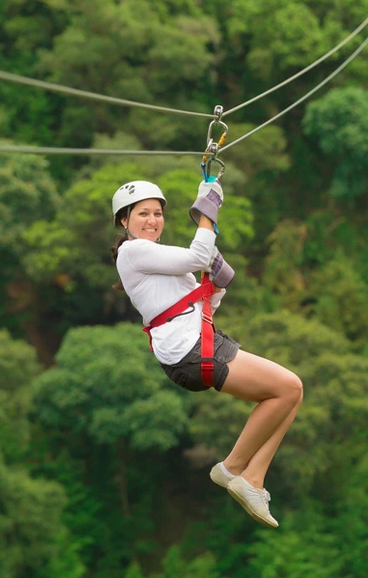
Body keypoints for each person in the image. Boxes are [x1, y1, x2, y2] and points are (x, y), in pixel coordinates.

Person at [110, 179, 303, 527]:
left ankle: (252, 478)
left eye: (157, 214)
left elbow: (203, 304)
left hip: (193, 350)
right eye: (143, 214)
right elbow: (198, 255)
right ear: (124, 221)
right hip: (192, 351)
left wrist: (217, 286)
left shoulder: (159, 258)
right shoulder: (133, 252)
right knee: (289, 388)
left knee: (289, 394)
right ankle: (234, 469)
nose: (152, 220)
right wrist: (208, 208)